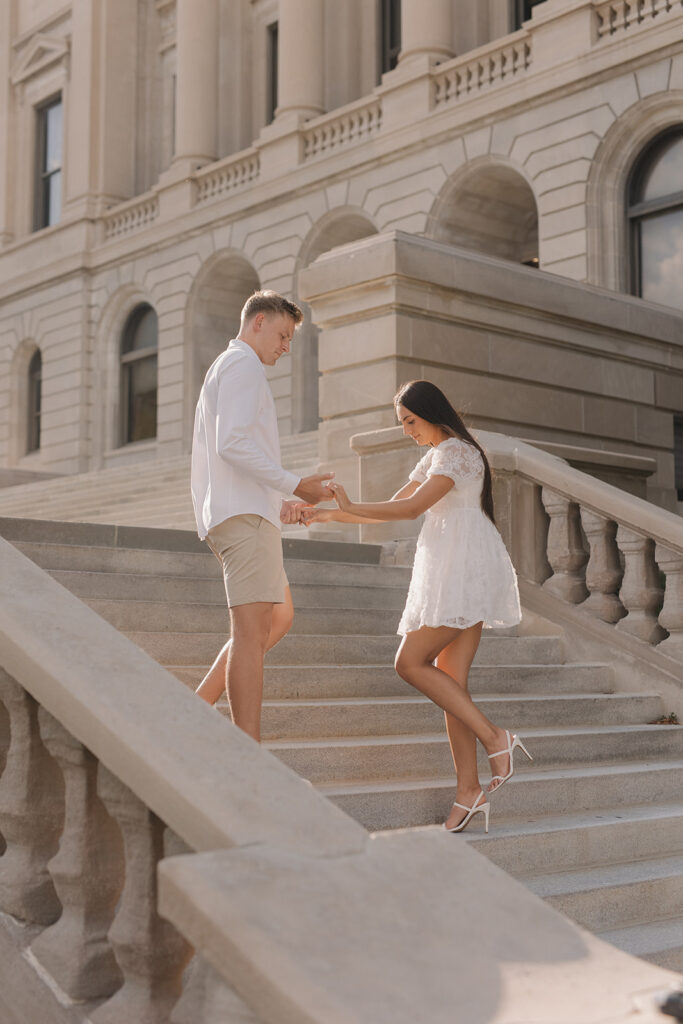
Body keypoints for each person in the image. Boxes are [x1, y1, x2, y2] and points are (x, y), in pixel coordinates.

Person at [303, 380, 531, 833]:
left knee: (409, 662)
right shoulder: (437, 455)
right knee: (452, 686)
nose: (406, 430)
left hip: (462, 570)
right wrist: (325, 514)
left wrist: (346, 503)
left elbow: (409, 511)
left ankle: (495, 738)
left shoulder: (457, 454)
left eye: (410, 420)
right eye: (401, 423)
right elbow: (390, 507)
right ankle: (468, 792)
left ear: (432, 413)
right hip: (453, 568)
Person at [190, 290, 333, 742]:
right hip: (242, 519)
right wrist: (295, 483)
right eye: (283, 335)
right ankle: (247, 755)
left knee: (280, 616)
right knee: (251, 637)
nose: (287, 346)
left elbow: (236, 450)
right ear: (258, 321)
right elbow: (231, 443)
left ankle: (192, 709)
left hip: (249, 512)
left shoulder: (232, 366)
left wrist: (282, 504)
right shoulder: (242, 364)